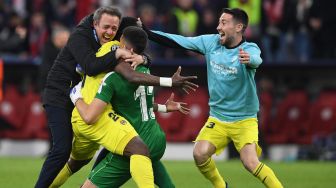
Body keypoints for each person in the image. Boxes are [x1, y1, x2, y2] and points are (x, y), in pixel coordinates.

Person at [36, 6, 197, 188]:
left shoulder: (122, 54)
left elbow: (133, 102)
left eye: (114, 29)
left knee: (77, 161)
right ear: (95, 24)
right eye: (106, 27)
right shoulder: (98, 45)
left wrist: (144, 59)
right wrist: (167, 80)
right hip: (71, 100)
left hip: (87, 106)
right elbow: (94, 70)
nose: (110, 32)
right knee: (64, 150)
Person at [142, 8, 283, 188]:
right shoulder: (211, 43)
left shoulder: (249, 49)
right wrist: (148, 33)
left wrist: (250, 60)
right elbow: (180, 41)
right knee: (199, 153)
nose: (218, 27)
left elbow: (257, 59)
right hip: (218, 118)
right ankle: (221, 186)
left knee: (250, 162)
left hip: (244, 120)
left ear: (239, 27)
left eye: (224, 23)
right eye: (219, 22)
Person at [73, 26, 189, 188]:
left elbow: (90, 116)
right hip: (156, 138)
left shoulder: (113, 78)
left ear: (128, 49)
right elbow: (136, 105)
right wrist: (163, 108)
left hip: (134, 141)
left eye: (120, 44)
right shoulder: (145, 71)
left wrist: (76, 96)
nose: (117, 48)